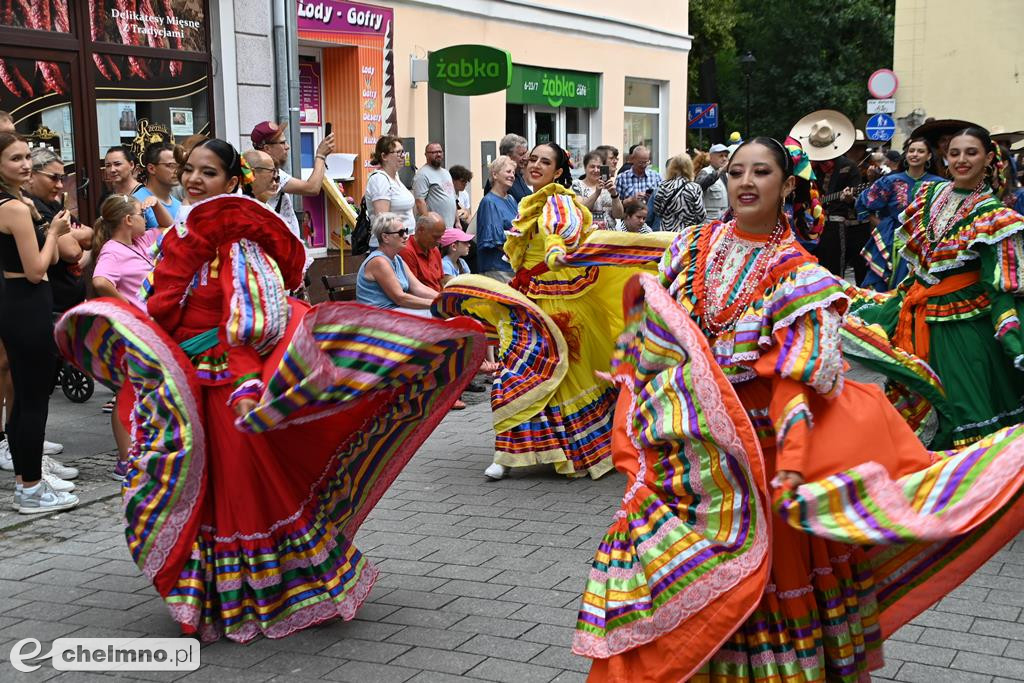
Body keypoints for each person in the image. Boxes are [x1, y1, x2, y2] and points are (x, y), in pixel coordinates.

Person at [573, 135, 1024, 681]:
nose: (745, 182)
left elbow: (797, 381)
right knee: (676, 571)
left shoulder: (799, 274)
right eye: (736, 171)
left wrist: (792, 462)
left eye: (761, 172)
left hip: (765, 454)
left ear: (786, 186)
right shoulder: (691, 246)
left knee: (767, 579)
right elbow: (656, 326)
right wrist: (630, 375)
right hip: (692, 450)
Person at [57, 138, 484, 642]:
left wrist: (245, 388)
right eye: (190, 170)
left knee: (241, 488)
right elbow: (157, 308)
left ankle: (258, 595)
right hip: (180, 384)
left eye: (209, 173)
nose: (195, 179)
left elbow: (251, 325)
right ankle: (209, 594)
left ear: (233, 182)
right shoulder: (170, 239)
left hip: (224, 385)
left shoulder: (240, 248)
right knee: (193, 490)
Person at [435, 142, 673, 481]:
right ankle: (509, 451)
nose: (535, 165)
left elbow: (559, 228)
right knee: (519, 372)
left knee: (551, 375)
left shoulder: (557, 200)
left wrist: (556, 250)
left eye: (545, 162)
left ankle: (564, 449)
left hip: (561, 301)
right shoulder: (527, 201)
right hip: (530, 298)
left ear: (558, 171)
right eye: (532, 159)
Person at [857, 126, 1024, 447]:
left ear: (989, 158)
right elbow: (917, 272)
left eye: (971, 153)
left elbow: (999, 287)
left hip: (963, 330)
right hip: (918, 318)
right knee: (914, 410)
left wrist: (1013, 340)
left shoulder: (996, 217)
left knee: (964, 415)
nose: (961, 160)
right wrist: (889, 307)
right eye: (955, 153)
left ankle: (971, 490)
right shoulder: (928, 197)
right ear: (946, 157)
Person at [0, 132, 78, 514]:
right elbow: (35, 269)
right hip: (27, 303)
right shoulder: (13, 208)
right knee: (31, 403)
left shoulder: (17, 203)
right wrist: (56, 234)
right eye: (15, 159)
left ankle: (26, 482)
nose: (26, 164)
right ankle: (31, 489)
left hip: (14, 303)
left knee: (22, 403)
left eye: (27, 156)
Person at [91, 193, 159, 480]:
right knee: (127, 392)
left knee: (142, 390)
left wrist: (152, 206)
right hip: (130, 330)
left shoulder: (138, 243)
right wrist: (130, 307)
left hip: (145, 329)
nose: (146, 220)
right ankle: (124, 460)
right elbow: (100, 281)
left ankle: (140, 449)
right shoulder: (112, 250)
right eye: (141, 215)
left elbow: (167, 231)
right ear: (128, 220)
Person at [856, 136, 945, 290]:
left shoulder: (940, 184)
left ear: (929, 156)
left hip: (926, 245)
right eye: (911, 151)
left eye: (920, 151)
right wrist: (883, 226)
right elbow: (863, 204)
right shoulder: (890, 181)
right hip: (893, 242)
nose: (915, 154)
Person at [791, 110, 865, 280]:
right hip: (804, 223)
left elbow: (858, 198)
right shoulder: (804, 166)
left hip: (833, 224)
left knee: (832, 269)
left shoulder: (848, 167)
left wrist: (850, 198)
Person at [356, 212, 437, 316]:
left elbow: (418, 288)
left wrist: (445, 298)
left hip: (394, 313)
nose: (406, 236)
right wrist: (438, 304)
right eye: (401, 232)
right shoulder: (379, 261)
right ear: (385, 237)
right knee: (438, 315)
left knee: (442, 314)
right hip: (377, 318)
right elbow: (400, 298)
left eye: (406, 231)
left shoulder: (397, 259)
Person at [364, 135, 415, 249]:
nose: (403, 156)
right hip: (390, 246)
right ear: (384, 156)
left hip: (404, 241)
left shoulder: (395, 176)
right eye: (398, 152)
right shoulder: (379, 179)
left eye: (403, 152)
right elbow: (383, 219)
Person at [475, 156, 518, 283]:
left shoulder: (511, 199)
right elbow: (495, 240)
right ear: (495, 174)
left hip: (513, 266)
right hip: (497, 268)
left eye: (513, 173)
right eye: (508, 172)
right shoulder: (489, 202)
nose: (512, 176)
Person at [651, 153, 706, 231]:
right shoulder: (694, 187)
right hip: (687, 234)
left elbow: (657, 210)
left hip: (666, 233)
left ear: (671, 167)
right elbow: (701, 215)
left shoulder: (663, 186)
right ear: (690, 168)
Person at [133, 142, 179, 229]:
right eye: (171, 165)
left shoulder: (180, 205)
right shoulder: (136, 203)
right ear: (151, 168)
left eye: (179, 166)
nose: (177, 171)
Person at [572, 151, 623, 230]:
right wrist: (596, 193)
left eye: (599, 167)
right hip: (587, 236)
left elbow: (619, 215)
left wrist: (614, 195)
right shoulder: (576, 185)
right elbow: (579, 209)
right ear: (585, 168)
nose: (596, 170)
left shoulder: (609, 186)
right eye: (592, 167)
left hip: (609, 236)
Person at [412, 142, 456, 227]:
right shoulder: (422, 174)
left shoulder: (446, 172)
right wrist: (429, 225)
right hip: (434, 229)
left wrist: (457, 221)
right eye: (434, 152)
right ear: (426, 155)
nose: (438, 154)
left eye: (440, 151)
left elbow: (452, 197)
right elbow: (420, 202)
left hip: (449, 227)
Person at [400, 212, 446, 292]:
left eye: (441, 237)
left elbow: (441, 281)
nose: (439, 241)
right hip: (424, 300)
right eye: (435, 237)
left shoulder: (434, 250)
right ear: (420, 230)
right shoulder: (407, 251)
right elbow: (412, 289)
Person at [483, 134, 531, 202]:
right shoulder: (498, 179)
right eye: (521, 154)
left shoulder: (518, 175)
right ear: (508, 155)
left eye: (525, 153)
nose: (525, 158)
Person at [695, 143, 730, 222]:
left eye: (726, 156)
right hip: (710, 223)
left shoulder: (728, 175)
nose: (724, 159)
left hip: (726, 221)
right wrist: (720, 171)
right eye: (721, 156)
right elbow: (699, 186)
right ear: (711, 158)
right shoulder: (705, 172)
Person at [449, 164, 473, 229]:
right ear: (453, 180)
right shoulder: (448, 194)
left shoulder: (464, 194)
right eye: (462, 181)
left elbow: (468, 212)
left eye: (466, 181)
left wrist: (466, 213)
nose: (465, 184)